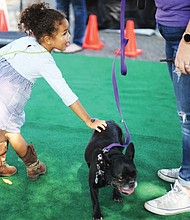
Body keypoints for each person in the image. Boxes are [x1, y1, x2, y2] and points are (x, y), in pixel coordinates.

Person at [0, 2, 107, 181]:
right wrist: (88, 120)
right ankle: (33, 166)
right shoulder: (44, 61)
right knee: (11, 131)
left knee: (1, 129)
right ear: (48, 39)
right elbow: (66, 93)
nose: (69, 36)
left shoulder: (25, 41)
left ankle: (1, 166)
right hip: (8, 94)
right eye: (64, 33)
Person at [144, 0, 190, 216]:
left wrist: (188, 41)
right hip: (175, 35)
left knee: (187, 119)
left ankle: (188, 186)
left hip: (185, 36)